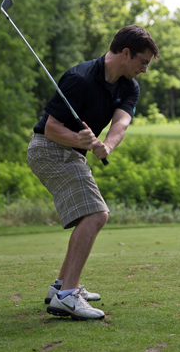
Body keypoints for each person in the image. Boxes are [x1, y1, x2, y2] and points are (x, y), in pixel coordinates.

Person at [27, 25, 159, 320]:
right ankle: (66, 296)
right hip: (47, 149)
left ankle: (60, 286)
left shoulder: (129, 86)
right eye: (143, 62)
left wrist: (106, 147)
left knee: (90, 214)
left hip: (70, 152)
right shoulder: (79, 79)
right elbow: (51, 128)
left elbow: (121, 124)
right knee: (96, 214)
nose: (144, 70)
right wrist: (79, 140)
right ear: (126, 54)